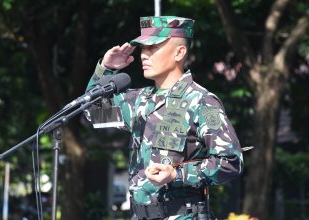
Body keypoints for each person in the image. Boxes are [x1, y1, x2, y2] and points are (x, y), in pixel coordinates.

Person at [85, 16, 244, 220]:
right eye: (143, 49)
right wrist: (105, 70)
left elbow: (230, 161)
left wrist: (176, 175)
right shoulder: (139, 100)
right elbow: (93, 112)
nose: (144, 55)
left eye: (153, 48)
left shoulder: (202, 101)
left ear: (179, 52)